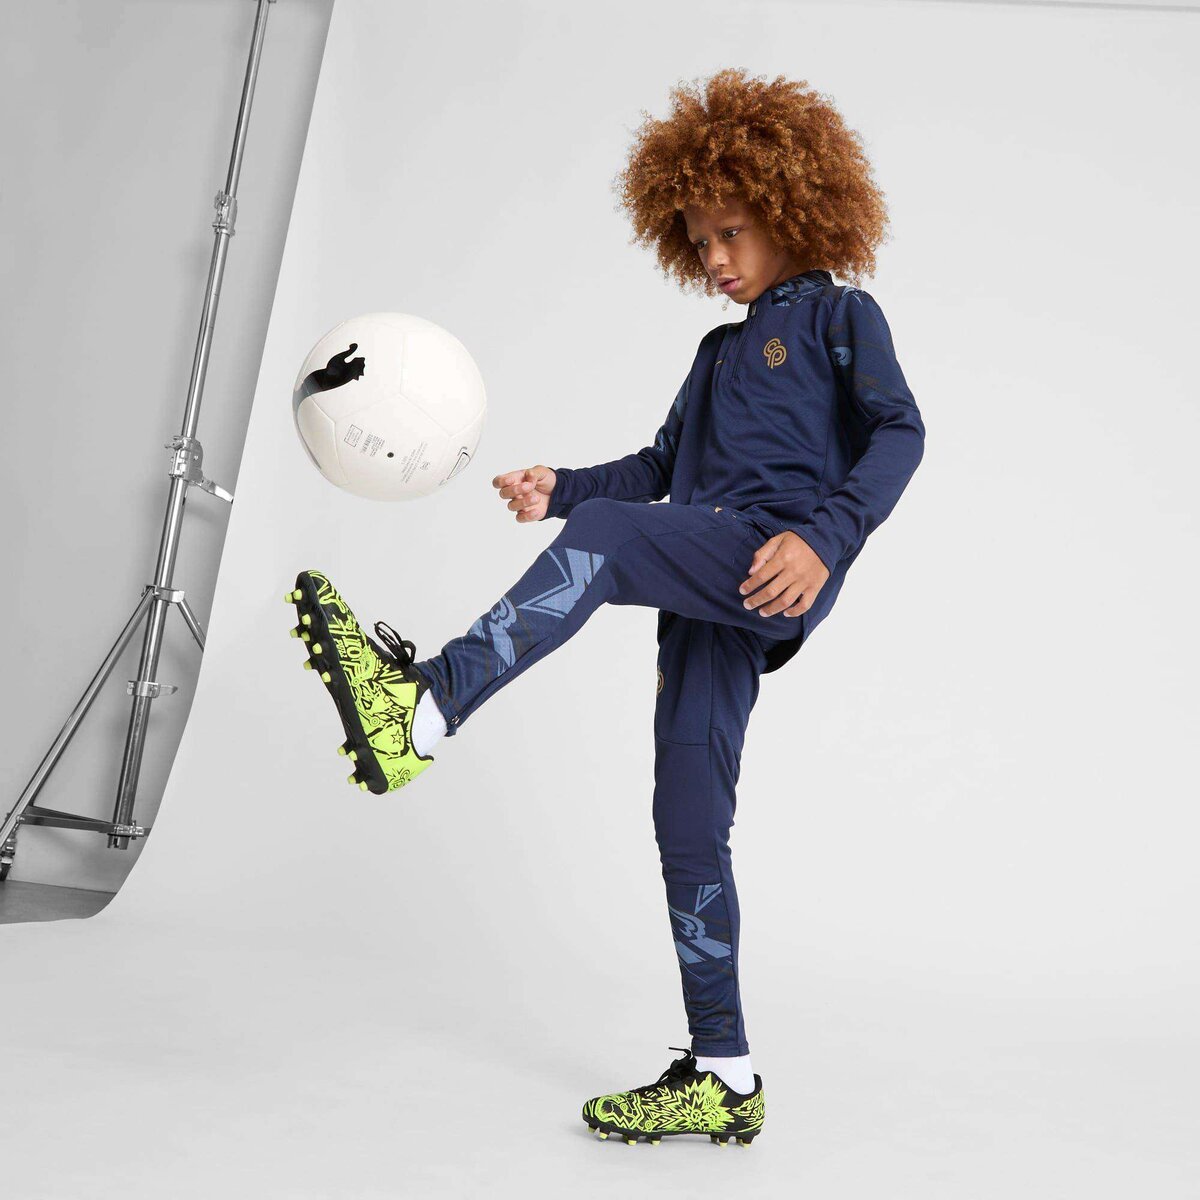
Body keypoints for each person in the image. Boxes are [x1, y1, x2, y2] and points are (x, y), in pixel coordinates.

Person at [285, 67, 925, 1147]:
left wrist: (826, 540)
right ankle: (723, 1073)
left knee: (616, 541)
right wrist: (565, 491)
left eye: (730, 232)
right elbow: (659, 468)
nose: (713, 258)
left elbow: (901, 432)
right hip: (705, 585)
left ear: (792, 207)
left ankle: (426, 708)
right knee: (688, 818)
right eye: (698, 240)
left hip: (771, 564)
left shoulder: (841, 317)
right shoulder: (716, 353)